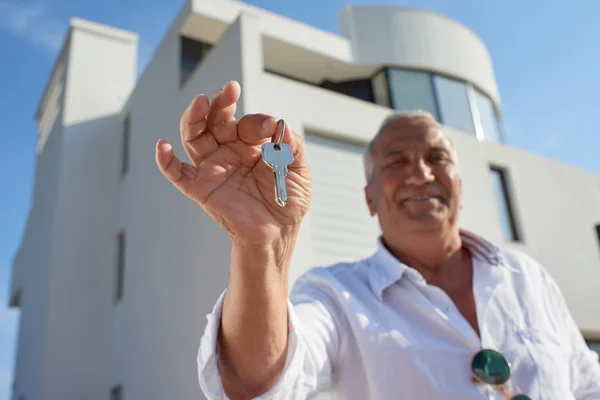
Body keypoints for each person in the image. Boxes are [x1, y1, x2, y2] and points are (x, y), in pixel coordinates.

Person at [155, 81, 600, 399]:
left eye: (436, 158)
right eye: (397, 162)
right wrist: (263, 245)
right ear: (370, 199)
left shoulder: (529, 278)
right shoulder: (336, 296)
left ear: (459, 187)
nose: (420, 174)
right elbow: (259, 384)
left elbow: (587, 385)